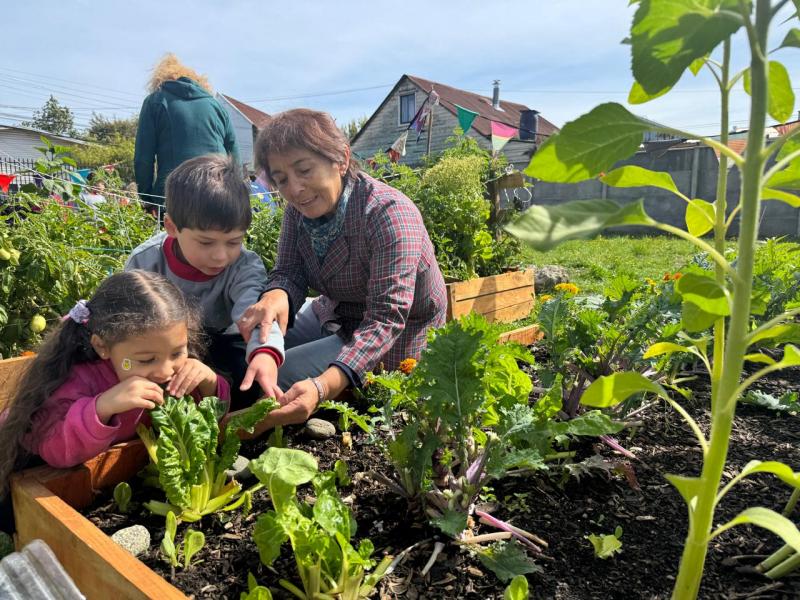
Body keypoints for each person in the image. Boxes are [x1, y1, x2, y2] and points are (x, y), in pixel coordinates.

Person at [235, 108, 447, 435]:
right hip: (336, 310)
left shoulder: (388, 214)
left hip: (397, 330)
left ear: (341, 160)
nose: (294, 189)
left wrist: (322, 388)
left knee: (282, 374)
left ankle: (243, 428)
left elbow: (386, 317)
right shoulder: (298, 212)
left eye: (304, 170)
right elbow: (288, 272)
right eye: (281, 179)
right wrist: (276, 295)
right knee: (253, 346)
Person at [0, 270, 230, 500]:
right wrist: (102, 407)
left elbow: (207, 417)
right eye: (147, 360)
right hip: (25, 472)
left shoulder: (167, 369)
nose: (166, 370)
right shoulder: (75, 380)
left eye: (178, 352)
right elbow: (56, 452)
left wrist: (209, 383)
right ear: (102, 347)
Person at [125, 154, 284, 409]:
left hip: (221, 340)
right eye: (206, 242)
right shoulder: (146, 262)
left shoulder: (244, 266)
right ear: (172, 227)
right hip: (163, 346)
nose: (221, 256)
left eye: (234, 242)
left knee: (248, 377)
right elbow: (124, 319)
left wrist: (264, 352)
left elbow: (255, 314)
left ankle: (220, 399)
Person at [134, 53, 240, 210]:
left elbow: (144, 158)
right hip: (219, 191)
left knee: (175, 234)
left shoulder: (155, 101)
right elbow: (234, 154)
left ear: (158, 81)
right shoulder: (215, 105)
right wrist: (236, 192)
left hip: (174, 194)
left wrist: (148, 198)